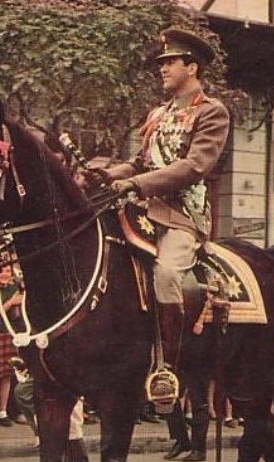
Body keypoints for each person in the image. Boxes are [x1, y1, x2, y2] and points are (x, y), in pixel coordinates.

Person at [82, 28, 230, 404]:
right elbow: (138, 161)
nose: (162, 69)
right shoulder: (157, 114)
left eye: (170, 62)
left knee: (166, 275)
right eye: (161, 63)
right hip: (143, 209)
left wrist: (136, 185)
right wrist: (109, 174)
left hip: (182, 215)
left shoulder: (212, 112)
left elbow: (196, 166)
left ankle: (169, 368)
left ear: (192, 67)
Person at [0, 265, 23, 428]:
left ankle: (2, 411)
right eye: (1, 271)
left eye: (7, 271)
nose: (4, 274)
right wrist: (11, 302)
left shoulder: (13, 287)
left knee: (7, 374)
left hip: (10, 333)